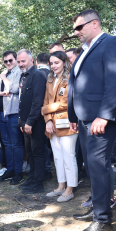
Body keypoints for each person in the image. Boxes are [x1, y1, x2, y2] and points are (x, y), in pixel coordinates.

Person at [68, 9, 116, 231]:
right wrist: (73, 117)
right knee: (92, 167)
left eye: (79, 27)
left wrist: (103, 115)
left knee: (98, 164)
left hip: (100, 119)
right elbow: (75, 86)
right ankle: (98, 206)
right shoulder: (84, 51)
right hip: (84, 119)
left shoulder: (113, 43)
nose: (76, 33)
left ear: (94, 23)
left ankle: (103, 221)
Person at [42, 51, 78, 202]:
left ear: (64, 62)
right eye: (51, 63)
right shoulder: (50, 79)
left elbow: (66, 102)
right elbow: (45, 100)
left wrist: (45, 110)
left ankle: (70, 189)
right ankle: (60, 186)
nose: (53, 66)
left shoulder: (71, 78)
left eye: (57, 62)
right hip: (52, 125)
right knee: (57, 157)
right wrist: (48, 120)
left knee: (68, 156)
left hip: (68, 124)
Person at [0, 51, 24, 185]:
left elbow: (15, 88)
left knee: (16, 144)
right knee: (7, 144)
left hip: (14, 113)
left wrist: (5, 80)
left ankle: (18, 172)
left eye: (10, 60)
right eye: (6, 61)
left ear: (16, 60)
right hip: (2, 114)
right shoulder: (5, 73)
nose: (8, 63)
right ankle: (10, 170)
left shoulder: (19, 72)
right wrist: (4, 92)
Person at [16, 49, 47, 194]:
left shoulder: (38, 75)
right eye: (19, 62)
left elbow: (37, 102)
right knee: (30, 151)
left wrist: (29, 122)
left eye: (23, 61)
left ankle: (38, 183)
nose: (21, 64)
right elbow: (22, 101)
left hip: (36, 122)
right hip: (25, 122)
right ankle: (32, 178)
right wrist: (22, 122)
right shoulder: (24, 77)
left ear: (31, 60)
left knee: (38, 151)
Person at [35, 53, 54, 182]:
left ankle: (46, 170)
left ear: (36, 62)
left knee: (41, 144)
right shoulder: (52, 74)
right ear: (48, 62)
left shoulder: (36, 74)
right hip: (53, 112)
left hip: (40, 112)